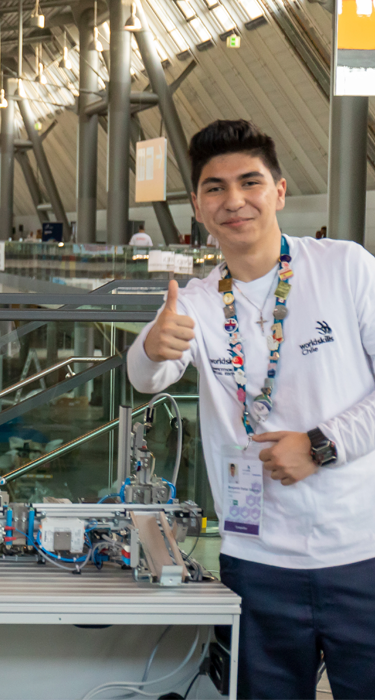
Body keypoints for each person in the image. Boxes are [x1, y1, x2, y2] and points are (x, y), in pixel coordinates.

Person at [128, 120, 375, 700]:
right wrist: (150, 346)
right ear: (197, 204)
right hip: (256, 562)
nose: (233, 201)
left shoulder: (346, 268)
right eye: (214, 188)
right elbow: (146, 377)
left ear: (280, 191)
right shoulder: (193, 302)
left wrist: (322, 443)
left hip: (361, 552)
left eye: (250, 182)